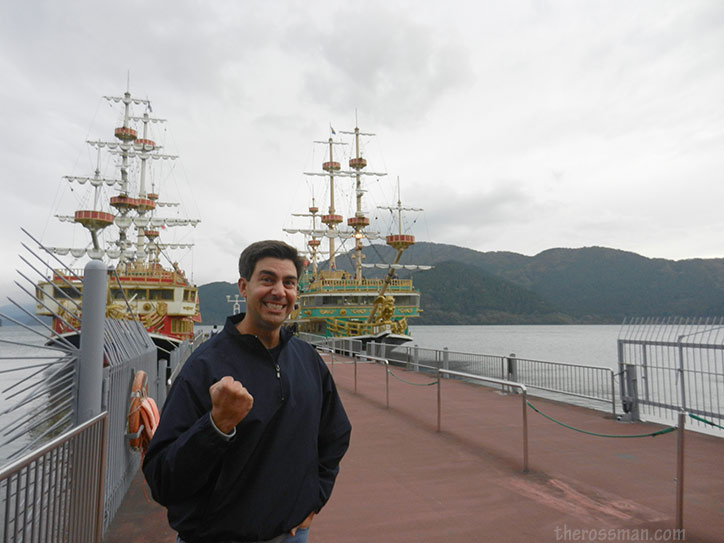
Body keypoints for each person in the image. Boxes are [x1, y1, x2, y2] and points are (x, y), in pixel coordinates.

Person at [143, 240, 352, 543]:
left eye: (289, 282)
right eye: (267, 279)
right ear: (243, 287)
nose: (279, 291)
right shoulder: (205, 366)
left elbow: (335, 436)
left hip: (292, 536)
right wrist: (215, 427)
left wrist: (314, 500)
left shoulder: (308, 360)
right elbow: (162, 480)